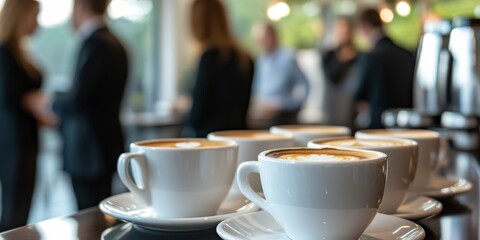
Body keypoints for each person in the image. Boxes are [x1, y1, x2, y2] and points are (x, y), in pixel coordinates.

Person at [53, 0, 128, 210]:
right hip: (105, 145)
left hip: (89, 151)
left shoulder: (97, 44)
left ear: (80, 6)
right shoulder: (116, 43)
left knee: (89, 217)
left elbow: (80, 98)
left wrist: (52, 101)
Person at [0, 0, 52, 230]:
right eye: (35, 15)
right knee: (15, 209)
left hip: (25, 140)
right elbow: (11, 98)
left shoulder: (18, 52)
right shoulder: (4, 53)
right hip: (14, 143)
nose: (37, 22)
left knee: (20, 208)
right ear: (20, 15)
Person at [186, 0, 254, 137]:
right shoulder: (245, 59)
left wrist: (184, 113)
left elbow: (197, 115)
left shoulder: (209, 58)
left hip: (210, 142)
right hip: (238, 138)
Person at [355, 8, 415, 129]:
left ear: (365, 27)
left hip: (378, 127)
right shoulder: (407, 54)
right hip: (406, 125)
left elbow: (360, 96)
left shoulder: (371, 57)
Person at [252, 24, 309, 127]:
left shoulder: (287, 58)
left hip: (284, 116)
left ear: (274, 36)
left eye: (265, 37)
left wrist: (289, 105)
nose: (262, 41)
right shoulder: (261, 60)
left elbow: (304, 85)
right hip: (264, 116)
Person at [321, 17, 362, 129]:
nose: (344, 34)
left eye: (346, 30)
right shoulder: (328, 55)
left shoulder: (360, 55)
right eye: (340, 31)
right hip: (333, 108)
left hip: (354, 109)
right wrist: (342, 59)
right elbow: (332, 77)